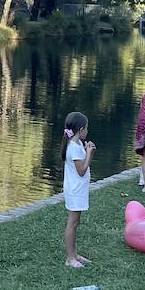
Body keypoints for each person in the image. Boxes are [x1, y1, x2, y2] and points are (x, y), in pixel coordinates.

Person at [62, 111, 95, 267]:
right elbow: (81, 170)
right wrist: (89, 153)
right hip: (74, 190)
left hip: (78, 189)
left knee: (76, 222)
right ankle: (70, 258)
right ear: (81, 129)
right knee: (72, 223)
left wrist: (86, 149)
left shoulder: (77, 144)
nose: (87, 131)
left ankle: (74, 254)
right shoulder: (74, 147)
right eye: (87, 128)